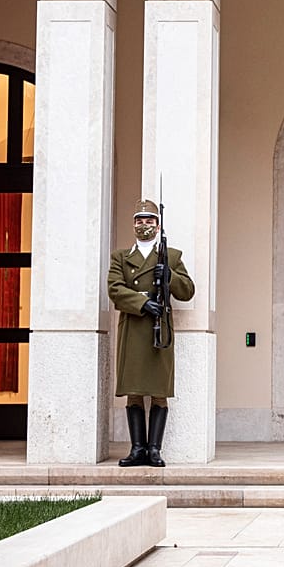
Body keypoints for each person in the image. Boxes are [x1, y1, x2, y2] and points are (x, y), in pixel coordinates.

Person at [106, 199, 195, 467]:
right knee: (133, 391)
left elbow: (187, 291)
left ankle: (154, 450)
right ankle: (137, 449)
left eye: (149, 221)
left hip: (159, 328)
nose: (144, 225)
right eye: (139, 220)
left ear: (157, 226)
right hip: (134, 325)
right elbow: (114, 288)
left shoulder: (172, 256)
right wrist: (142, 303)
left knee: (159, 390)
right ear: (133, 224)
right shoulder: (121, 257)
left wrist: (169, 275)